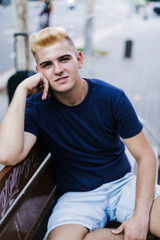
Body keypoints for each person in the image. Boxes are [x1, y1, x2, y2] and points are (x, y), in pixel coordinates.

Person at [0, 26, 160, 240]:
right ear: (39, 71)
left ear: (79, 60)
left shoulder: (111, 97)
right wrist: (22, 90)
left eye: (64, 59)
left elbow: (146, 156)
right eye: (47, 64)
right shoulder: (36, 108)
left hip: (122, 184)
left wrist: (140, 218)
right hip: (77, 197)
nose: (57, 69)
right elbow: (8, 155)